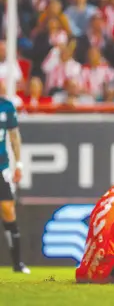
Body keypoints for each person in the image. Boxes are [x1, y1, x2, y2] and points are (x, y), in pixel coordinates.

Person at [0, 84, 29, 274]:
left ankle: (17, 263)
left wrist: (18, 163)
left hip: (1, 167)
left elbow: (14, 136)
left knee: (8, 210)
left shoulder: (6, 107)